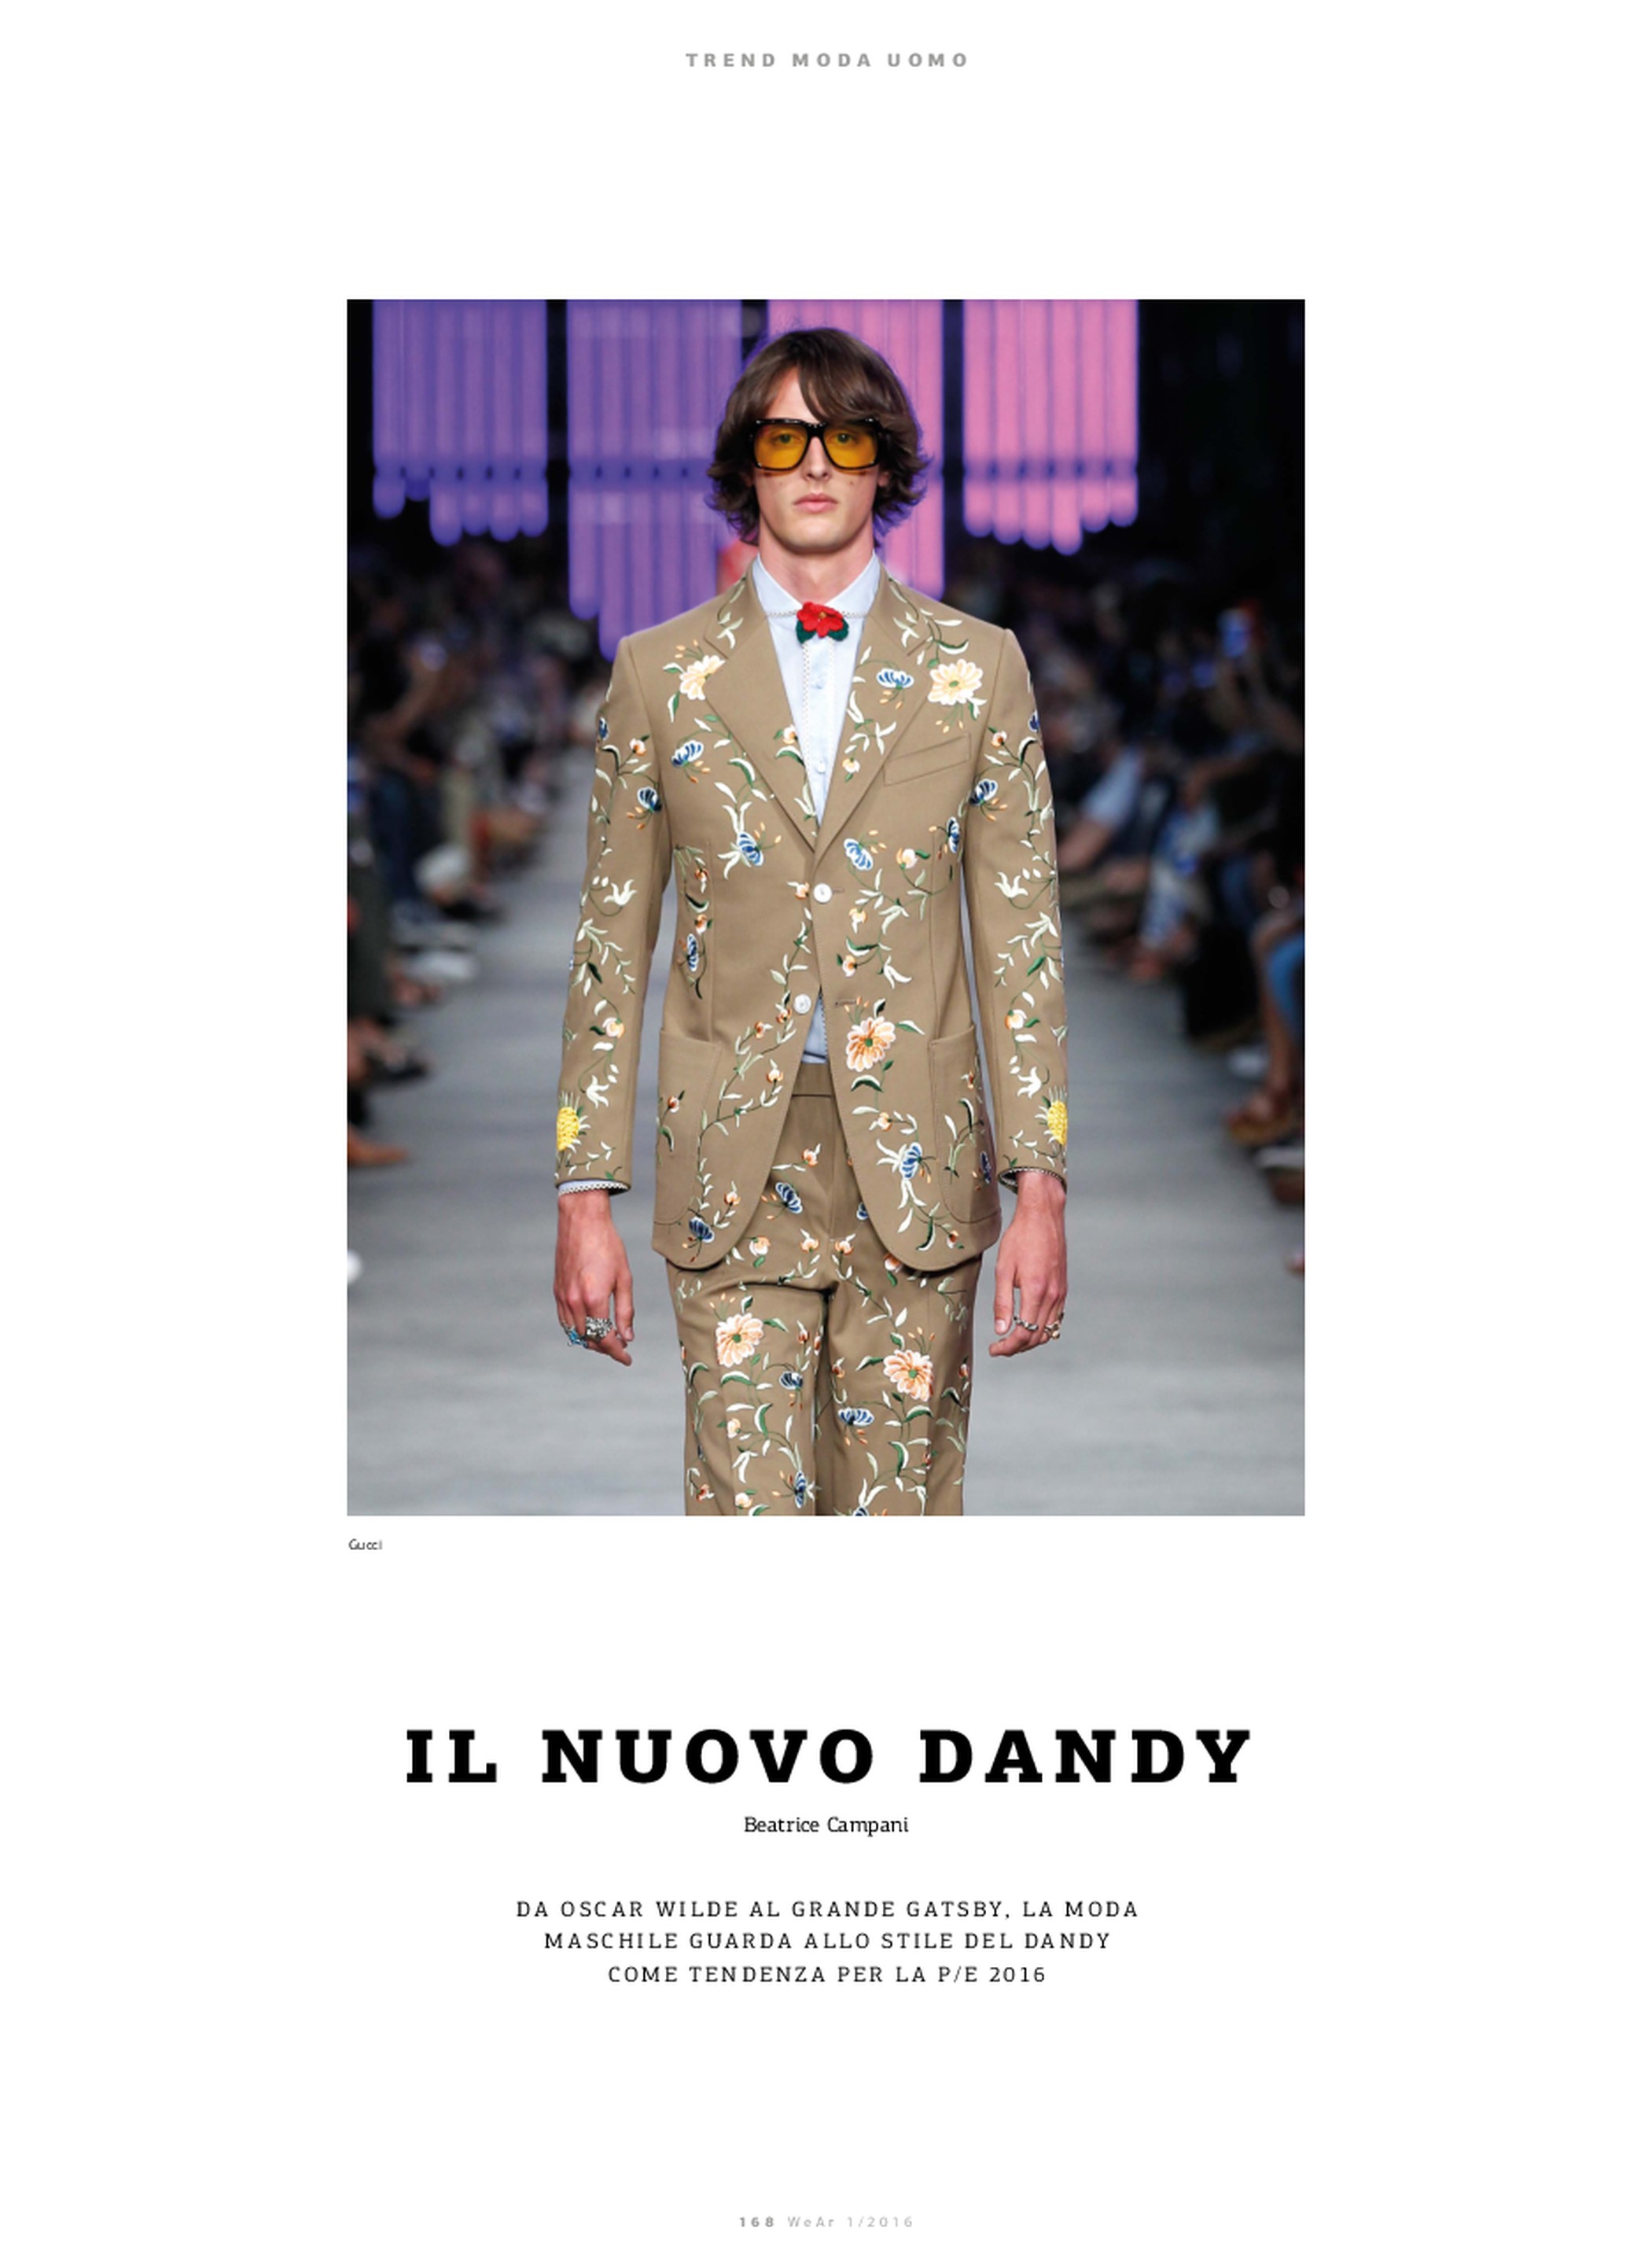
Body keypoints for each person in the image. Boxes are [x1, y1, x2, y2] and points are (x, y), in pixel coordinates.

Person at [553, 327, 1069, 1516]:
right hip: (730, 1156)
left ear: (885, 462)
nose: (819, 465)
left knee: (898, 1519)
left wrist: (1040, 1183)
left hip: (922, 1159)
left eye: (847, 437)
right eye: (787, 441)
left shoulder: (975, 668)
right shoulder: (659, 675)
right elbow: (607, 947)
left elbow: (1023, 942)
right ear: (750, 464)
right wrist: (584, 1193)